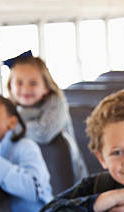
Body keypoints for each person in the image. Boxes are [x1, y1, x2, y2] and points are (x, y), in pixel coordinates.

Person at [5, 51, 88, 183]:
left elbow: (43, 133)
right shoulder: (8, 108)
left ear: (46, 87)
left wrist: (10, 127)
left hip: (65, 167)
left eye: (33, 83)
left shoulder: (56, 103)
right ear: (10, 86)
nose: (25, 89)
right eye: (19, 83)